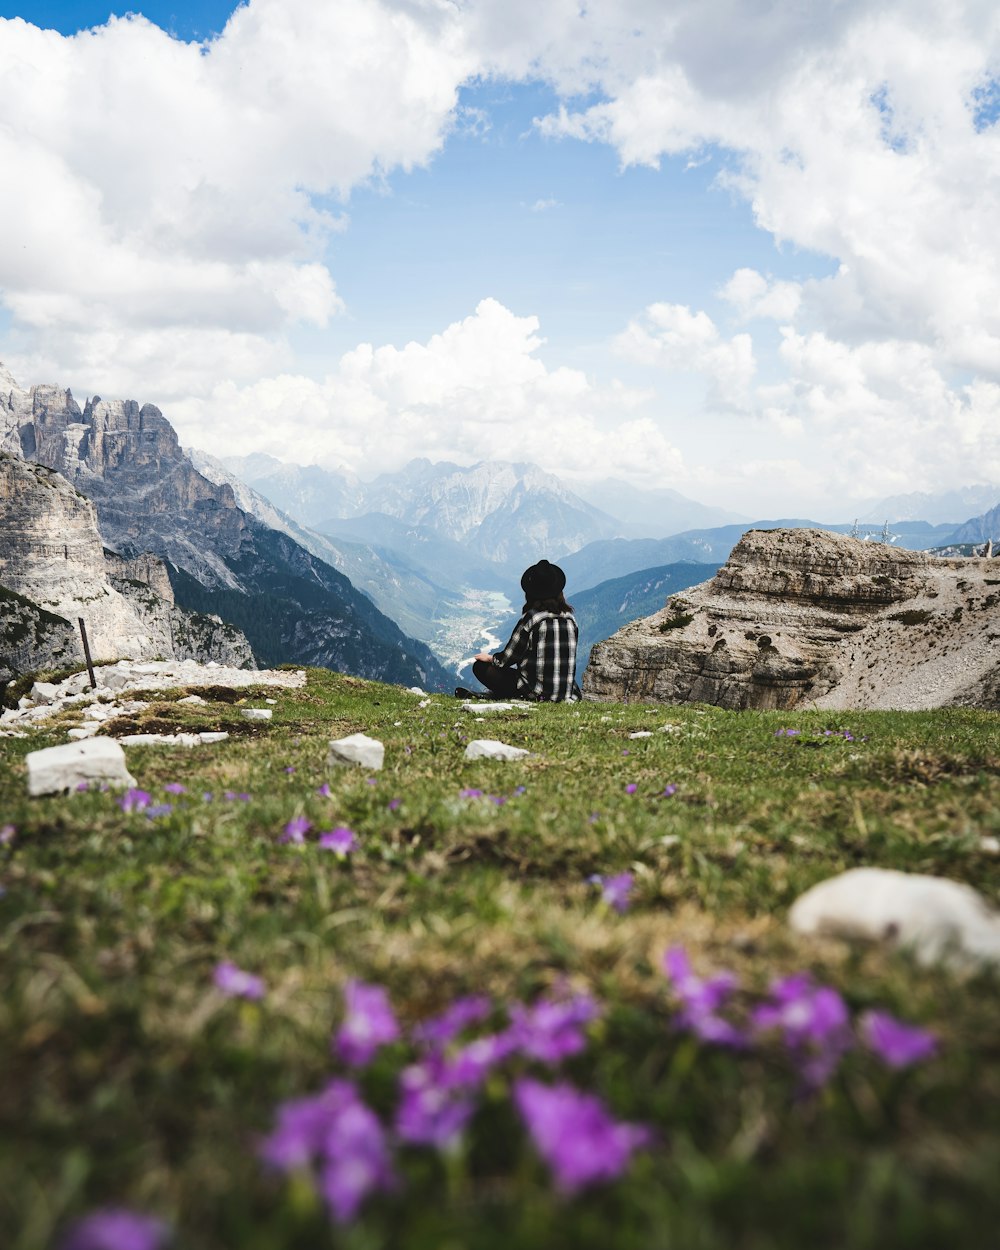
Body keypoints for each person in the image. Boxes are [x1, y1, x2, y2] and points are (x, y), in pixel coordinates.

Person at [456, 559, 580, 702]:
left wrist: (490, 658)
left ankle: (502, 695)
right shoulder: (571, 620)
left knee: (480, 667)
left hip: (536, 693)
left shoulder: (532, 619)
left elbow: (507, 659)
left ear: (531, 593)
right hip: (566, 693)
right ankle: (500, 696)